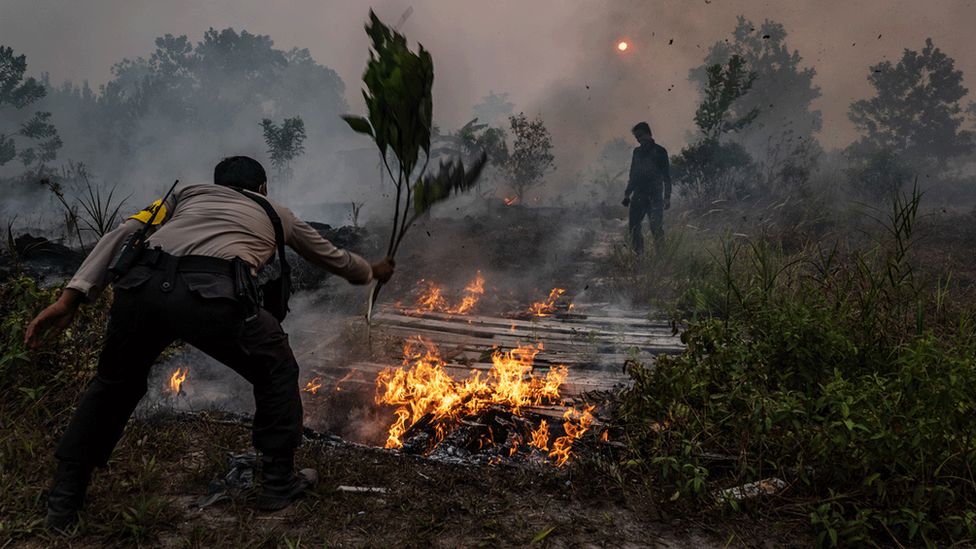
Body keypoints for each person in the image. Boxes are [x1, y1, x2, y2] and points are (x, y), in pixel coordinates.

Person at [24, 156, 395, 531]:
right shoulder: (276, 212)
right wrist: (371, 271)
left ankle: (64, 501)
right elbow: (329, 256)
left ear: (216, 184)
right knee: (277, 369)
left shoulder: (184, 194)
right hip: (215, 295)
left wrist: (70, 298)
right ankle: (278, 484)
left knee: (113, 386)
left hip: (141, 289)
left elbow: (123, 233)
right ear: (263, 187)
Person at [622, 122, 671, 254]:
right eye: (637, 137)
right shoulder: (637, 152)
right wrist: (627, 194)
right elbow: (633, 174)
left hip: (655, 196)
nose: (639, 139)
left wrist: (667, 197)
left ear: (648, 134)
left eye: (640, 136)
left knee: (656, 228)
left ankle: (662, 259)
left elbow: (666, 176)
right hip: (638, 195)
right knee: (634, 228)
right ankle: (639, 257)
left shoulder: (660, 152)